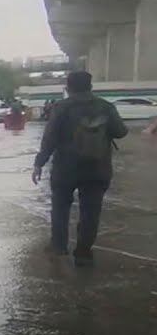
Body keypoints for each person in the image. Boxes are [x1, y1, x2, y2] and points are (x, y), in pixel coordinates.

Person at [32, 70, 128, 267]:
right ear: (90, 87)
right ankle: (83, 254)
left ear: (68, 87)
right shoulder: (106, 107)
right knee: (91, 212)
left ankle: (59, 246)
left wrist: (39, 163)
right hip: (97, 168)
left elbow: (50, 139)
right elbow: (121, 132)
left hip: (65, 168)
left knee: (60, 207)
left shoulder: (61, 107)